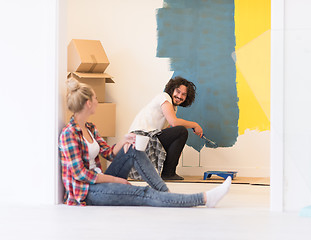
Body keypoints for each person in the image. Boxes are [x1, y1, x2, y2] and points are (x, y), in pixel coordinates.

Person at [58, 78, 231, 207]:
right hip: (88, 191)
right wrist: (117, 181)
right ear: (88, 103)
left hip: (101, 180)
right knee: (145, 193)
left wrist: (124, 141)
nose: (98, 101)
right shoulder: (69, 134)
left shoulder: (90, 127)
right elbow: (81, 175)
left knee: (133, 150)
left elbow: (109, 153)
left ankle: (166, 196)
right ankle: (204, 198)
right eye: (95, 98)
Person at [129, 76, 203, 180]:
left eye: (183, 94)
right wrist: (195, 125)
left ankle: (168, 173)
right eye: (177, 91)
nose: (179, 96)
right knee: (181, 131)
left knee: (178, 133)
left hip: (148, 139)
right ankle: (168, 173)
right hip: (140, 139)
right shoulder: (164, 97)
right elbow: (174, 122)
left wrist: (176, 148)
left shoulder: (173, 107)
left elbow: (169, 132)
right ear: (172, 89)